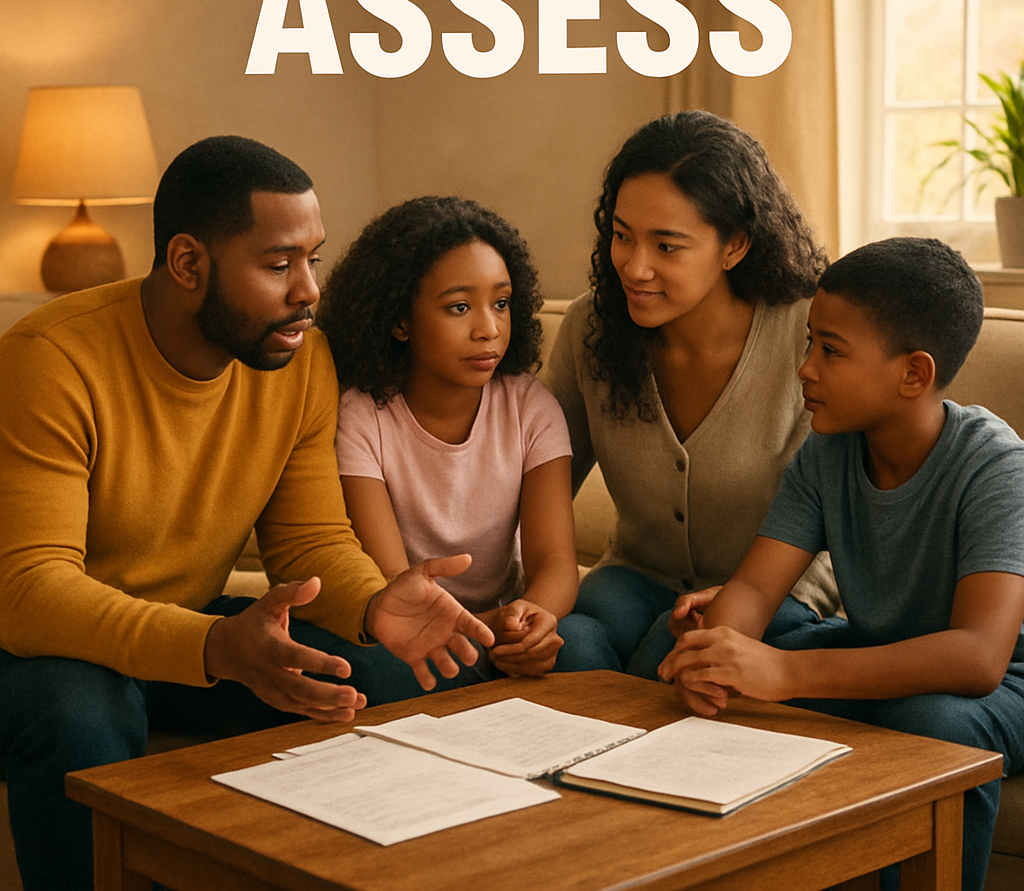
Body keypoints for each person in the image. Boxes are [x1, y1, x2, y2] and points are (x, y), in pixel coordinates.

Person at [0, 136, 494, 891]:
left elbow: (310, 540)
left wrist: (371, 605)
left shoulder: (300, 360)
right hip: (39, 649)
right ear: (189, 263)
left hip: (190, 626)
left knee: (408, 680)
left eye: (313, 261)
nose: (309, 291)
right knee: (80, 714)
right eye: (277, 265)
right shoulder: (52, 359)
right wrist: (216, 647)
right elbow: (30, 591)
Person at [659, 237, 1024, 891]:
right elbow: (754, 585)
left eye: (830, 351)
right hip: (880, 647)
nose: (805, 369)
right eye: (808, 343)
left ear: (913, 373)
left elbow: (977, 657)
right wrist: (719, 653)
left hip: (1005, 683)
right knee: (699, 658)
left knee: (932, 722)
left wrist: (785, 672)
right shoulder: (827, 453)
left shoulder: (996, 464)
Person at [543, 110, 839, 677]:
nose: (634, 266)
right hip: (633, 578)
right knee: (567, 647)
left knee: (671, 655)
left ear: (734, 246)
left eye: (667, 246)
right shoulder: (592, 327)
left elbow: (847, 509)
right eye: (622, 236)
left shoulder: (813, 334)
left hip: (782, 594)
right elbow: (540, 470)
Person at [316, 195, 586, 701]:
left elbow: (555, 563)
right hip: (407, 628)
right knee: (373, 670)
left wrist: (534, 617)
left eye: (501, 303)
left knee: (585, 647)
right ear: (399, 321)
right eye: (459, 307)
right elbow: (391, 582)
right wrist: (489, 629)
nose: (489, 328)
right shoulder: (360, 417)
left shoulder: (532, 407)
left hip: (502, 625)